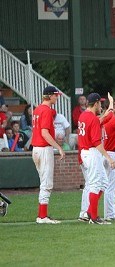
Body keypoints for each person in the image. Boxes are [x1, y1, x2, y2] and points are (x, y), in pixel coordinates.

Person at [78, 92, 115, 225]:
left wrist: (110, 106)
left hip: (87, 152)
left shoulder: (83, 115)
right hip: (91, 152)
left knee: (103, 182)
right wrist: (108, 157)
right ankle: (94, 217)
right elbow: (96, 141)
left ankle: (90, 211)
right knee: (95, 184)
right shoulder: (92, 118)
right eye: (100, 103)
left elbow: (103, 118)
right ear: (95, 103)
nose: (101, 105)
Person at [31, 86, 65, 224]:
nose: (57, 97)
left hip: (37, 149)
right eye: (56, 95)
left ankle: (42, 215)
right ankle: (42, 216)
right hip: (44, 149)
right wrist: (59, 148)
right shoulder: (46, 110)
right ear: (50, 96)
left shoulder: (38, 109)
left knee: (44, 182)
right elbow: (45, 133)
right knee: (46, 183)